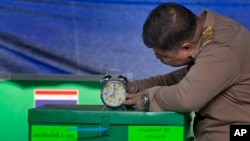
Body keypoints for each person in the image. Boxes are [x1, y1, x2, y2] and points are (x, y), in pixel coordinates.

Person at [122, 2, 250, 141]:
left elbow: (186, 98)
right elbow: (194, 77)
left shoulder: (221, 48)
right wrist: (138, 87)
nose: (159, 59)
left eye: (162, 57)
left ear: (187, 48)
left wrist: (146, 98)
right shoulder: (206, 30)